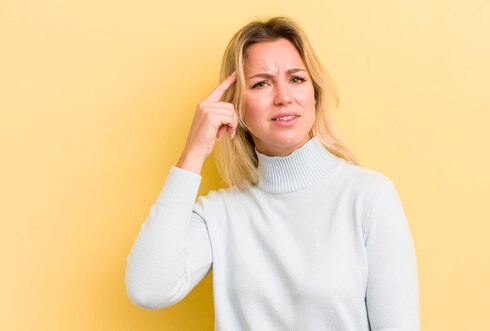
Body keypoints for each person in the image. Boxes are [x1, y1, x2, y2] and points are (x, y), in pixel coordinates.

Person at [125, 16, 421, 330]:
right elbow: (147, 288)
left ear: (315, 93)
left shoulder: (368, 196)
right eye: (261, 83)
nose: (283, 97)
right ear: (236, 105)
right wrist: (193, 153)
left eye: (296, 79)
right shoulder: (219, 215)